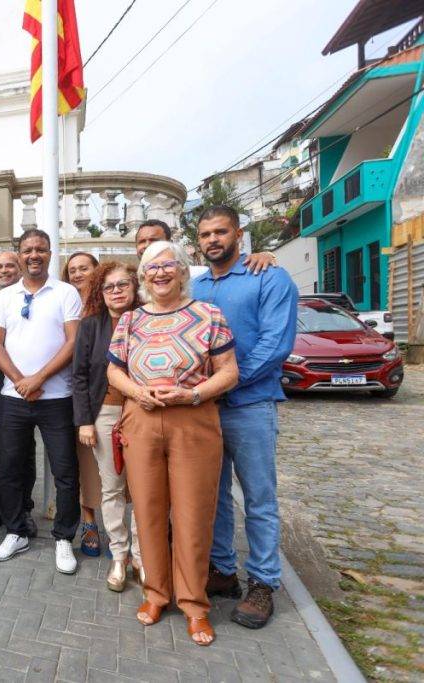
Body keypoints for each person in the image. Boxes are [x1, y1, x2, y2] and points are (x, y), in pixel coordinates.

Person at [106, 240, 239, 646]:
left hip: (193, 421)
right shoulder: (131, 322)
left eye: (168, 265)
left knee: (193, 514)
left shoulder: (208, 314)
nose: (160, 273)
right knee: (147, 510)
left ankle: (195, 606)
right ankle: (156, 594)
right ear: (143, 276)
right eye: (151, 268)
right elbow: (114, 373)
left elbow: (229, 371)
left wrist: (193, 395)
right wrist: (138, 392)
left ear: (183, 270)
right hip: (142, 420)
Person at [192, 206, 298, 630]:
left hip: (250, 405)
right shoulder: (195, 286)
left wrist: (225, 382)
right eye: (205, 234)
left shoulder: (269, 277)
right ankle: (222, 570)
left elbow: (276, 342)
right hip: (205, 410)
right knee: (214, 495)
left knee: (258, 498)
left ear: (239, 233)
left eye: (221, 232)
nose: (213, 240)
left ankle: (263, 583)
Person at [0, 229, 81, 575]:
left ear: (49, 253)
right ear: (18, 254)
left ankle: (63, 537)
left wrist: (38, 379)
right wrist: (20, 381)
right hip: (13, 398)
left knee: (65, 470)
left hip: (56, 396)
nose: (34, 255)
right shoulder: (5, 297)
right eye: (27, 250)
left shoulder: (65, 292)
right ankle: (17, 531)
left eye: (40, 250)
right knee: (11, 467)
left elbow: (72, 341)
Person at [72, 261, 144, 592]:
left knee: (146, 489)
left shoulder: (150, 319)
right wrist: (85, 420)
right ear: (101, 292)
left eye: (123, 285)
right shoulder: (91, 325)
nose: (116, 292)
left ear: (135, 287)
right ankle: (120, 555)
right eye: (109, 287)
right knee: (112, 487)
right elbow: (81, 375)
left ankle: (144, 558)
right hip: (105, 414)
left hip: (146, 413)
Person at [0, 251, 37, 534]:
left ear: (20, 268)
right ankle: (7, 506)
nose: (3, 270)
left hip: (22, 388)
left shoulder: (32, 300)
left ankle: (24, 509)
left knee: (23, 452)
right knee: (3, 453)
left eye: (9, 266)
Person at [62, 250, 103, 558]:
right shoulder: (64, 301)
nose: (77, 274)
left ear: (96, 270)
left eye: (83, 268)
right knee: (83, 463)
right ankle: (89, 522)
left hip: (108, 392)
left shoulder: (106, 302)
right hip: (73, 394)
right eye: (72, 269)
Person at [134, 219, 277, 275]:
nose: (147, 246)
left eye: (154, 240)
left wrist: (264, 255)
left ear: (170, 243)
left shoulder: (197, 276)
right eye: (142, 241)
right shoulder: (130, 282)